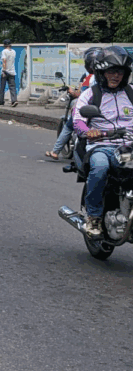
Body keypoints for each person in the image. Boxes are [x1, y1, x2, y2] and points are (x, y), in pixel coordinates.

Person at [73, 46, 133, 238]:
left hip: (129, 146)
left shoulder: (131, 93)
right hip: (103, 145)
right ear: (102, 72)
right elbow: (78, 120)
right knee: (99, 168)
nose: (116, 76)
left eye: (120, 72)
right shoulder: (91, 94)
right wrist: (88, 132)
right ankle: (94, 217)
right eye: (111, 71)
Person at [45, 47, 102, 160]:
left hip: (88, 108)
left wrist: (72, 92)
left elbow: (82, 95)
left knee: (69, 126)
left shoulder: (90, 78)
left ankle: (55, 151)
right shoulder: (110, 79)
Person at [0, 39, 18, 107]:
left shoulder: (4, 51)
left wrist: (3, 70)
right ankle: (14, 100)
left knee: (2, 87)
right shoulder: (13, 52)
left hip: (5, 71)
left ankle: (1, 101)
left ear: (4, 45)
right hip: (12, 71)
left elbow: (4, 61)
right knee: (12, 87)